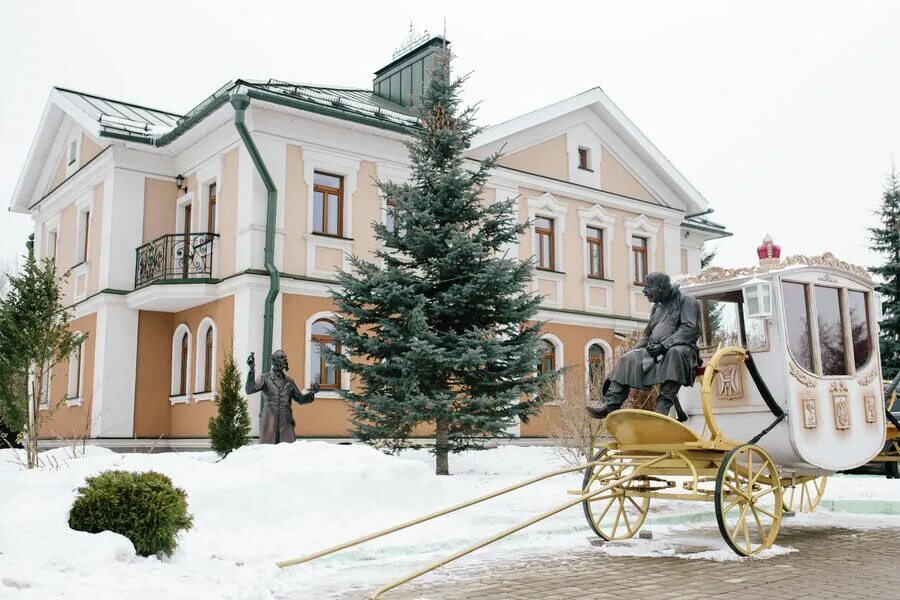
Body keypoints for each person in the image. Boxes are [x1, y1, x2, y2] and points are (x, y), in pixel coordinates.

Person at [586, 272, 700, 422]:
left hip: (683, 351)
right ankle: (611, 405)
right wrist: (633, 352)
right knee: (628, 358)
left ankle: (662, 407)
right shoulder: (657, 308)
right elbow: (647, 335)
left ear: (660, 287)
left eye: (648, 287)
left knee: (674, 353)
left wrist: (664, 346)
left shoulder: (687, 301)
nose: (644, 291)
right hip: (656, 350)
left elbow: (690, 329)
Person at [246, 350, 320, 444]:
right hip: (270, 420)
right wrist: (251, 369)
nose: (284, 359)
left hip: (286, 422)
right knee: (267, 452)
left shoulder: (289, 381)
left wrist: (313, 392)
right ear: (274, 361)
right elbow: (249, 389)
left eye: (285, 357)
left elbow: (300, 399)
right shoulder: (265, 378)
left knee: (287, 453)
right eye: (281, 357)